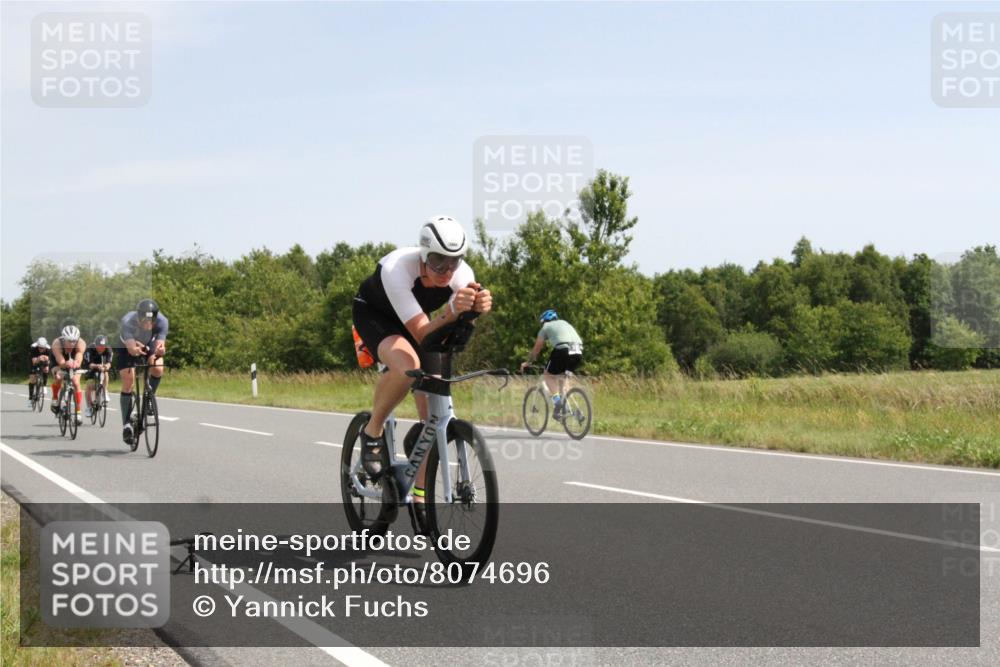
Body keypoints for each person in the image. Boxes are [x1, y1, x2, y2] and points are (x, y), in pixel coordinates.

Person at [351, 216, 492, 522]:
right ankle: (372, 431)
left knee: (434, 415)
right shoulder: (397, 269)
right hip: (377, 316)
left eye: (453, 262)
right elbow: (421, 335)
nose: (446, 271)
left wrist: (472, 312)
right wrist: (454, 310)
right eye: (438, 262)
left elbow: (451, 331)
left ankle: (419, 496)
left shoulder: (462, 276)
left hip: (423, 320)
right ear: (424, 255)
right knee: (406, 366)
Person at [118, 299, 168, 444]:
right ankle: (126, 424)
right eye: (144, 320)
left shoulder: (162, 322)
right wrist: (137, 350)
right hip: (128, 345)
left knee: (158, 367)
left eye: (150, 321)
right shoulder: (128, 322)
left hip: (148, 344)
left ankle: (149, 399)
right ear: (138, 317)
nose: (147, 324)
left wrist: (160, 350)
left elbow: (160, 345)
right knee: (128, 380)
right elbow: (132, 349)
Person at [520, 310, 583, 419]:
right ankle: (571, 408)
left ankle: (557, 402)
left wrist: (528, 362)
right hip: (578, 351)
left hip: (563, 349)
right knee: (563, 378)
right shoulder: (565, 323)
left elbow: (537, 348)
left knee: (547, 375)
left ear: (543, 321)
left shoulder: (545, 327)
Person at [50, 325, 86, 424]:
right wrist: (65, 364)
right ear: (63, 339)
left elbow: (79, 356)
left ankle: (78, 412)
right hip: (59, 361)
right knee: (58, 377)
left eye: (74, 341)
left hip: (74, 361)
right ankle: (55, 398)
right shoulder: (57, 343)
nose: (72, 344)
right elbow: (60, 361)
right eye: (69, 341)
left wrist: (76, 363)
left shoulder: (81, 343)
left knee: (76, 382)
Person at [83, 334, 113, 418]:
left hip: (101, 367)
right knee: (89, 386)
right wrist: (97, 366)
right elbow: (89, 364)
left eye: (103, 347)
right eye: (99, 346)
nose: (101, 348)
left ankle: (105, 391)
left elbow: (109, 363)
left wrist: (106, 366)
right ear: (95, 345)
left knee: (106, 372)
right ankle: (89, 407)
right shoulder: (90, 349)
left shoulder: (108, 349)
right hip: (91, 367)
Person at [28, 337, 51, 406]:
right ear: (37, 346)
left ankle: (44, 385)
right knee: (32, 379)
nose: (41, 349)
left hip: (44, 361)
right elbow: (34, 362)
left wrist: (47, 360)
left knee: (46, 369)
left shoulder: (48, 349)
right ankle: (30, 398)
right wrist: (39, 358)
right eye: (40, 347)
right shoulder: (33, 348)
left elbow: (50, 361)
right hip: (34, 361)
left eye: (43, 348)